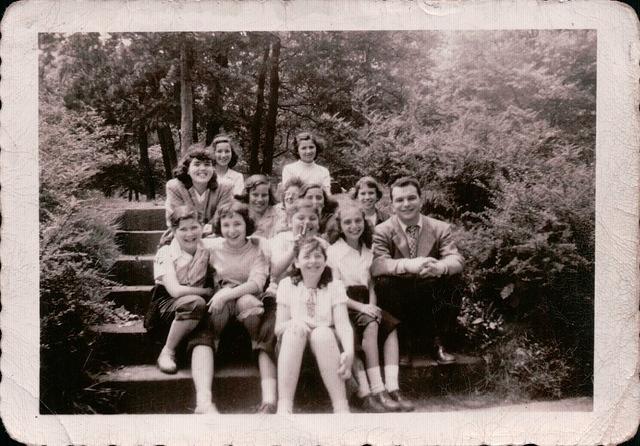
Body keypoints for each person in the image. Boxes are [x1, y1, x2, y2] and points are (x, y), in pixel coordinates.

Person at [326, 203, 413, 412]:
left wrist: (372, 305)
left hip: (366, 301)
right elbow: (335, 290)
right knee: (371, 326)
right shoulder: (333, 252)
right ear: (339, 225)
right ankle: (377, 389)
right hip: (345, 303)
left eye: (358, 221)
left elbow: (371, 283)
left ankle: (393, 387)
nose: (354, 226)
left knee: (390, 326)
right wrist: (362, 308)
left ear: (364, 223)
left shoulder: (368, 250)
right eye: (347, 222)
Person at [190, 201, 276, 414]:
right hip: (222, 302)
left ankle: (268, 395)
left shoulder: (258, 248)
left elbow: (257, 283)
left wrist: (229, 293)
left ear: (247, 224)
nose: (232, 230)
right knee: (215, 312)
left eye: (237, 224)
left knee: (246, 302)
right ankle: (204, 401)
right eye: (226, 225)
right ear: (220, 226)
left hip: (251, 300)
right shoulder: (211, 246)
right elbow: (187, 249)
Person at [371, 176, 464, 365]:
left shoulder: (439, 228)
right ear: (392, 205)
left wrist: (441, 267)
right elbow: (378, 264)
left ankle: (437, 342)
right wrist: (406, 265)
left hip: (429, 286)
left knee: (453, 279)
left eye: (411, 198)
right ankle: (404, 342)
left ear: (420, 200)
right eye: (399, 200)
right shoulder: (382, 230)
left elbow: (456, 259)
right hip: (400, 290)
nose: (406, 204)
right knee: (384, 283)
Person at [275, 237, 354, 414]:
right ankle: (284, 406)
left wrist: (349, 351)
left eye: (318, 256)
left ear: (325, 261)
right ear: (296, 262)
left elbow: (343, 324)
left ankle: (341, 407)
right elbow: (278, 328)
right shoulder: (287, 285)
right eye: (307, 256)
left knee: (323, 333)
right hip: (292, 348)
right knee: (294, 332)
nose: (313, 261)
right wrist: (293, 322)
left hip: (326, 349)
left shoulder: (334, 286)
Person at [144, 206, 213, 376]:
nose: (190, 234)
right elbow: (174, 290)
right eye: (183, 229)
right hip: (166, 305)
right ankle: (167, 351)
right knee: (195, 303)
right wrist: (205, 292)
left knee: (201, 305)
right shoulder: (165, 252)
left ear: (202, 227)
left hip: (193, 304)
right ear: (174, 230)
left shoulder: (207, 248)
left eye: (194, 227)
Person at [165, 146, 233, 234]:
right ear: (187, 170)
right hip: (185, 235)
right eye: (197, 164)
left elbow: (223, 215)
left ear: (213, 169)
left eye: (207, 164)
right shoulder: (174, 187)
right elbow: (176, 219)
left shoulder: (225, 187)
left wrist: (213, 226)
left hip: (215, 235)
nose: (202, 168)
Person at [281, 131, 331, 196]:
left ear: (316, 148)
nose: (308, 151)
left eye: (311, 147)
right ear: (297, 151)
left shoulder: (323, 171)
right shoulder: (289, 169)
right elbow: (288, 194)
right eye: (303, 148)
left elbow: (327, 195)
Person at [235, 174, 279, 239]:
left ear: (269, 196)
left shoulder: (277, 213)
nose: (260, 199)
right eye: (255, 195)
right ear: (248, 195)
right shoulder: (240, 212)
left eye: (264, 195)